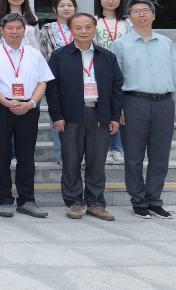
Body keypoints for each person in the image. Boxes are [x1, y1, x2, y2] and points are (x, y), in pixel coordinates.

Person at [112, 0, 176, 219]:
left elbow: (175, 75)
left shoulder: (165, 42)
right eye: (136, 11)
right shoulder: (120, 44)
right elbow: (115, 81)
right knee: (133, 156)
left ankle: (154, 200)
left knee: (160, 156)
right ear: (129, 17)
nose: (141, 14)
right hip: (134, 103)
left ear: (153, 15)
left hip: (164, 104)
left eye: (145, 10)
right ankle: (138, 201)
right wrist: (119, 110)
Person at [48, 12, 122, 221]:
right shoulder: (59, 56)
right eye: (78, 27)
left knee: (97, 162)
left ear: (94, 29)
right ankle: (74, 202)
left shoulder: (107, 56)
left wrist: (115, 116)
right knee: (71, 161)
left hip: (100, 113)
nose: (83, 31)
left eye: (88, 27)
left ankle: (96, 203)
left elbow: (117, 88)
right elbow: (52, 89)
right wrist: (57, 116)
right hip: (71, 114)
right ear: (71, 30)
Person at [0, 12, 54, 218]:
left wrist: (31, 104)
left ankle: (27, 200)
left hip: (28, 107)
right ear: (1, 30)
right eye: (10, 28)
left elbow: (42, 82)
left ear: (25, 30)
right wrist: (5, 102)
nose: (14, 32)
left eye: (18, 28)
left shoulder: (34, 54)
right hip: (0, 106)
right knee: (1, 154)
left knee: (26, 155)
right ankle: (4, 199)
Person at [39, 0, 79, 166]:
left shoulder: (82, 25)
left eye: (70, 5)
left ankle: (80, 153)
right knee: (57, 116)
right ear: (55, 9)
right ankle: (61, 154)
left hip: (82, 78)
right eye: (62, 5)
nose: (66, 8)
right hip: (57, 78)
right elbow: (45, 54)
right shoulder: (47, 29)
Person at [94, 0, 131, 164]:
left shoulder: (127, 23)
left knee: (119, 109)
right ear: (99, 0)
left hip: (122, 71)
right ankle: (105, 148)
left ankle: (117, 149)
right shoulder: (94, 21)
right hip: (98, 71)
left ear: (121, 0)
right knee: (102, 110)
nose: (110, 1)